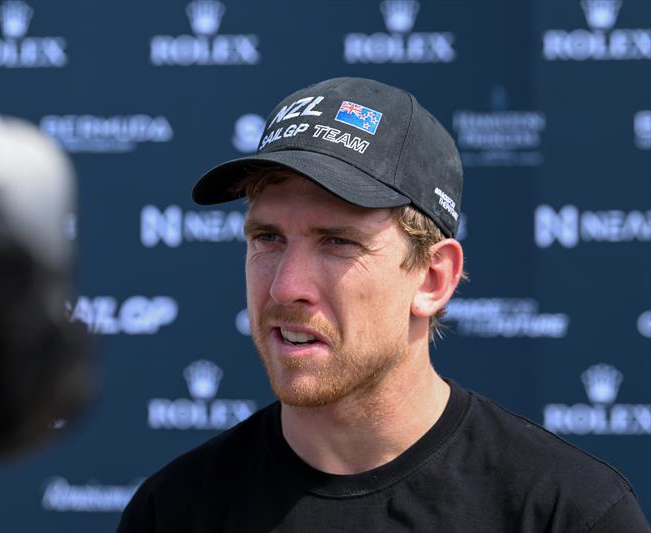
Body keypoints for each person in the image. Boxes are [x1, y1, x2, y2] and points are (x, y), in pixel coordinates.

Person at [117, 77, 650, 532]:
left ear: (433, 278)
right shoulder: (174, 511)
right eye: (267, 239)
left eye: (338, 242)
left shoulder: (566, 512)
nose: (284, 287)